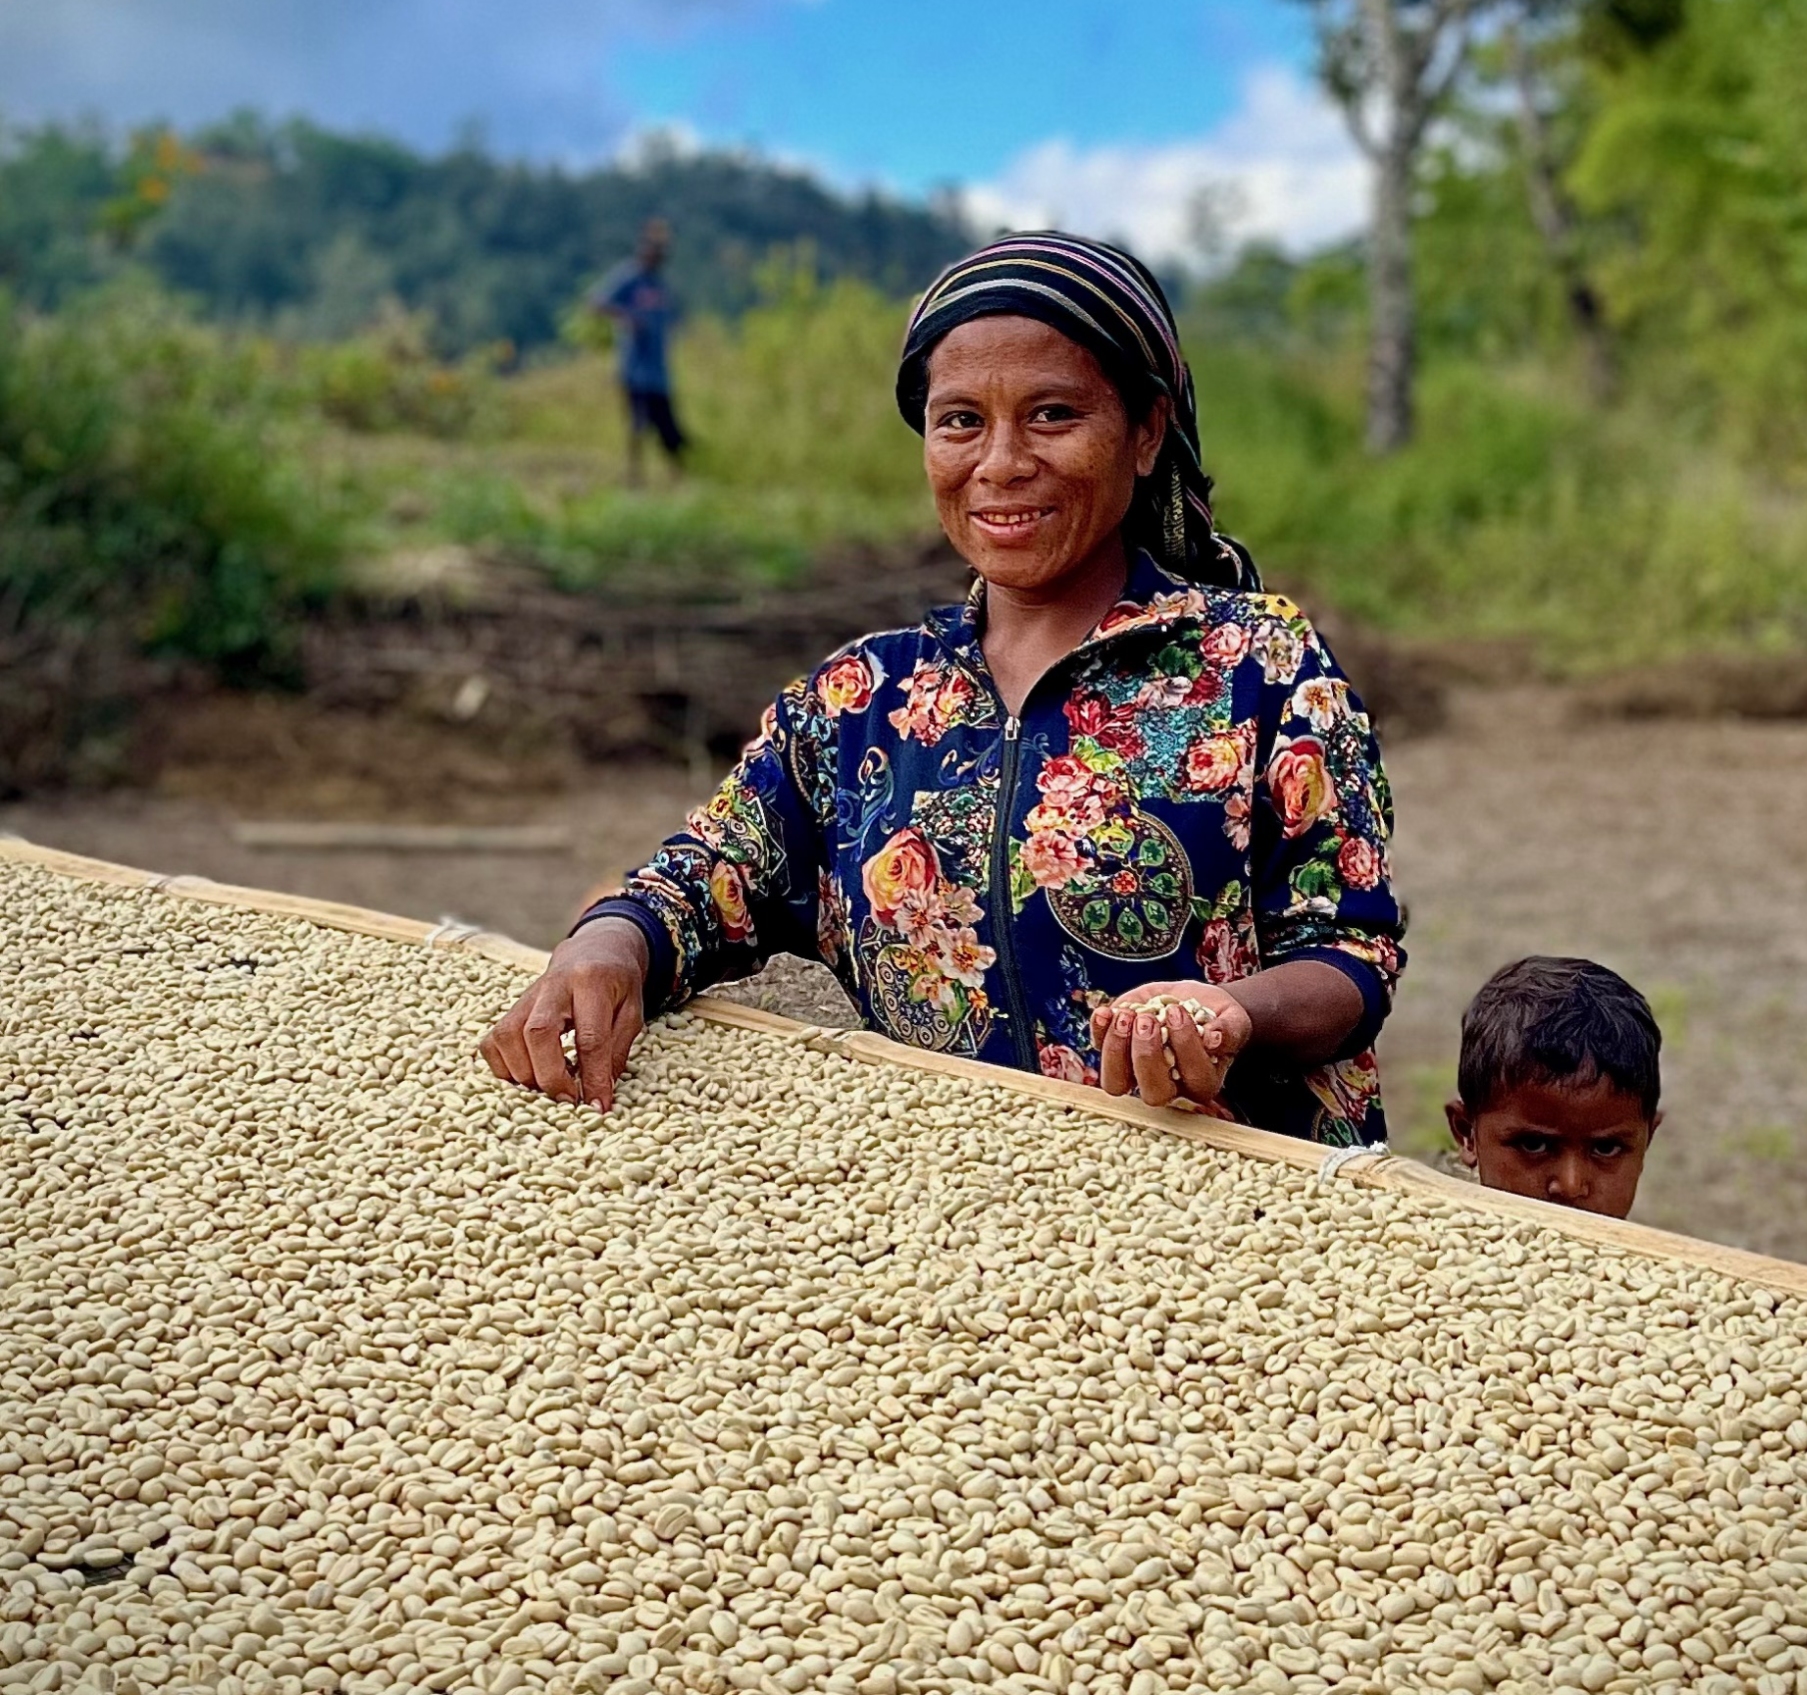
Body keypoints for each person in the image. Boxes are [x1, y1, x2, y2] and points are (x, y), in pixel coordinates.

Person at [482, 232, 1405, 1143]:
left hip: (1238, 1202)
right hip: (954, 1208)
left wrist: (1231, 1011)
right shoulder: (862, 699)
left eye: (1052, 414)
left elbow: (1352, 954)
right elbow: (707, 878)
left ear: (1146, 430)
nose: (1000, 461)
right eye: (960, 420)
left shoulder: (1262, 666)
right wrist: (609, 945)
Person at [1443, 956, 1662, 1218]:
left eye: (1605, 1149)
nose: (1571, 1186)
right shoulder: (1421, 1246)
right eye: (1534, 1145)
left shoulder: (1656, 1258)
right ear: (1468, 1134)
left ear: (1646, 1138)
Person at [591, 217, 686, 483]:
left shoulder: (660, 284)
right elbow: (596, 302)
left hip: (659, 371)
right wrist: (627, 317)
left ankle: (678, 476)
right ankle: (635, 476)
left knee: (668, 427)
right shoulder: (629, 277)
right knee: (638, 424)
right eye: (654, 247)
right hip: (635, 368)